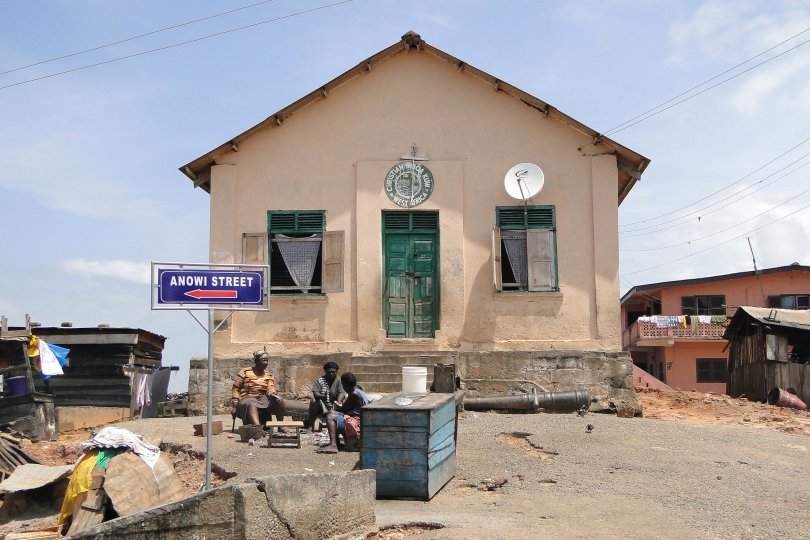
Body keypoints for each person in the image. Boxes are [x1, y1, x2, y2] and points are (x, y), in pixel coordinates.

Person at [231, 348, 287, 426]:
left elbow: (270, 388)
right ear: (256, 361)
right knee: (251, 404)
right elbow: (235, 389)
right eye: (263, 360)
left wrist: (273, 394)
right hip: (247, 398)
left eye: (267, 360)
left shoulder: (268, 375)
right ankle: (258, 429)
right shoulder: (245, 372)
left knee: (280, 401)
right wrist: (234, 405)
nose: (265, 362)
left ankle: (280, 427)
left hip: (262, 399)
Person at [317, 372, 369, 454]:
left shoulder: (354, 395)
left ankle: (333, 445)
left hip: (357, 424)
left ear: (345, 384)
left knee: (330, 417)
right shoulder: (358, 391)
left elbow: (343, 410)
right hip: (360, 421)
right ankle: (336, 443)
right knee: (331, 414)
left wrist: (329, 412)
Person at [307, 361, 347, 430]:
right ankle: (311, 425)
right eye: (329, 372)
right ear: (325, 371)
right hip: (323, 405)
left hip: (335, 404)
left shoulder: (339, 380)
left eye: (333, 372)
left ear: (336, 371)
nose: (331, 374)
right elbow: (315, 393)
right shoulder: (320, 380)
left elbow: (342, 392)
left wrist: (339, 400)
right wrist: (323, 396)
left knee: (346, 399)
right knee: (313, 401)